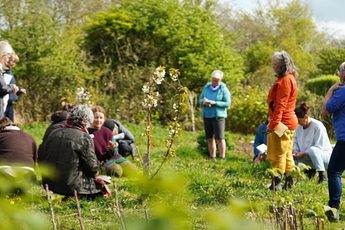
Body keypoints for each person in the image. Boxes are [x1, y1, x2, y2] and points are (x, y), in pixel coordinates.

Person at [38, 105, 104, 199]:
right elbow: (92, 169)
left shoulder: (54, 132)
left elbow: (41, 156)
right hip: (72, 187)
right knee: (101, 189)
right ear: (87, 121)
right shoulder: (84, 137)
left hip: (50, 184)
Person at [266, 50, 298, 190]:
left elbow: (281, 105)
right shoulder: (289, 78)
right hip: (287, 122)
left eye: (274, 64)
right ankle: (289, 183)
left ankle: (276, 183)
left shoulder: (285, 80)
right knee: (286, 153)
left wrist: (273, 124)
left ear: (281, 65)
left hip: (282, 122)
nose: (272, 66)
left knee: (277, 153)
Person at [322, 61, 345, 222]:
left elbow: (325, 110)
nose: (338, 74)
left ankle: (333, 209)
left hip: (344, 140)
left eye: (340, 71)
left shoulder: (342, 92)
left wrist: (331, 90)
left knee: (334, 172)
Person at [88, 106, 138, 177]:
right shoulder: (87, 133)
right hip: (103, 162)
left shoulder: (107, 132)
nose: (98, 120)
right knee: (116, 172)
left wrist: (113, 149)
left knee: (134, 171)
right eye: (96, 117)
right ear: (91, 118)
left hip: (116, 157)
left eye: (101, 118)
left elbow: (115, 152)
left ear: (104, 119)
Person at [293, 102, 332, 184]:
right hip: (308, 157)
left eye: (299, 121)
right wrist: (295, 152)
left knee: (312, 150)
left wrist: (303, 153)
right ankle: (304, 173)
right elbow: (296, 142)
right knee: (290, 157)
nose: (298, 123)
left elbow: (319, 147)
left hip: (324, 158)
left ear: (306, 117)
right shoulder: (298, 127)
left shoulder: (318, 126)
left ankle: (322, 175)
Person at [198, 70, 231, 159]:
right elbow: (200, 100)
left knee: (219, 138)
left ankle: (222, 157)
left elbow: (227, 103)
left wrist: (215, 103)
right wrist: (203, 101)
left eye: (216, 80)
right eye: (213, 80)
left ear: (220, 80)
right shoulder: (207, 87)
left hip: (218, 116)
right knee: (209, 138)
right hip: (207, 115)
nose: (214, 82)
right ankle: (212, 157)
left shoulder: (223, 89)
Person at [0, 117, 37, 194]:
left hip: (4, 170)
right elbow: (35, 159)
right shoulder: (29, 137)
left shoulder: (1, 136)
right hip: (27, 171)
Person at [0, 41, 19, 119]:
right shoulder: (3, 71)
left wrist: (18, 90)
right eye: (8, 58)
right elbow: (3, 88)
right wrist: (12, 87)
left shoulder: (7, 71)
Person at [3, 53, 26, 121]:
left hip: (9, 104)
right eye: (13, 61)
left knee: (10, 126)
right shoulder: (4, 72)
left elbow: (10, 87)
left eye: (15, 62)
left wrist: (19, 90)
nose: (14, 64)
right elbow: (4, 88)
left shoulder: (9, 72)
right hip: (4, 104)